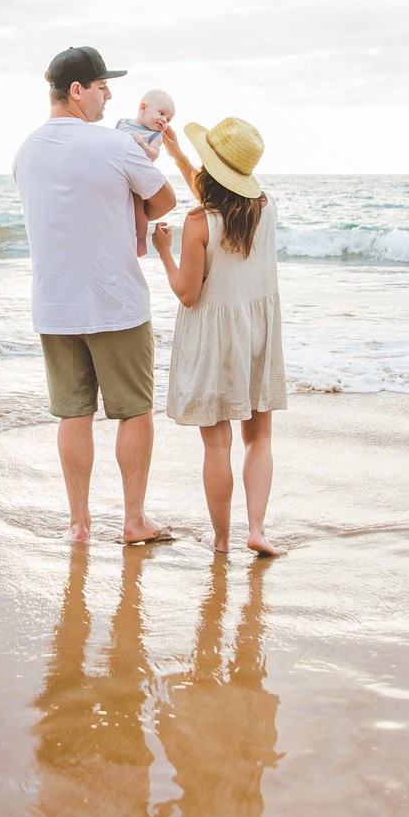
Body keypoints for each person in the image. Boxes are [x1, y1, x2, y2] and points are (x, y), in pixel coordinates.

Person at [13, 46, 179, 545]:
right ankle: (133, 521)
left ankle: (79, 525)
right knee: (134, 411)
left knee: (73, 413)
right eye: (103, 86)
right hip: (115, 300)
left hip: (55, 303)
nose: (111, 94)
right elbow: (165, 199)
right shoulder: (112, 145)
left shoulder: (25, 151)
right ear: (77, 91)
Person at [152, 117, 287, 556]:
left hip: (214, 339)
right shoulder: (265, 208)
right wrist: (178, 156)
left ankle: (224, 539)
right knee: (259, 437)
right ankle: (258, 530)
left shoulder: (197, 223)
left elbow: (188, 295)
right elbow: (222, 199)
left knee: (217, 443)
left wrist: (164, 254)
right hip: (256, 335)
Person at [113, 89, 176, 256]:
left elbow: (154, 155)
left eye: (168, 119)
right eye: (161, 113)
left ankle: (140, 241)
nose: (164, 120)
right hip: (117, 174)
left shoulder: (155, 135)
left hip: (136, 178)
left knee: (138, 209)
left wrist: (143, 145)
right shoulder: (122, 123)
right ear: (143, 108)